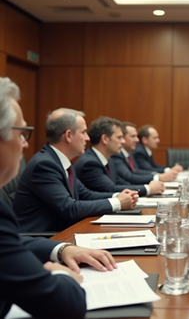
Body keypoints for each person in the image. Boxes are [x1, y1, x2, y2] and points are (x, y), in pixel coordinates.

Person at [0, 77, 118, 319]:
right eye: (22, 132)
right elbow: (67, 305)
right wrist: (58, 272)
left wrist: (61, 249)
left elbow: (9, 241)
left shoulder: (61, 162)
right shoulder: (46, 163)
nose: (25, 144)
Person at [13, 109, 138, 232]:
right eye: (83, 132)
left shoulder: (61, 161)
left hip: (63, 232)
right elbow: (70, 209)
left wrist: (119, 196)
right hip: (43, 238)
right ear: (68, 135)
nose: (88, 138)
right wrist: (117, 202)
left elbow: (85, 194)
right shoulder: (44, 165)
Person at [74, 117, 165, 196]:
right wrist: (147, 189)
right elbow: (110, 188)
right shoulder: (90, 163)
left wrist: (146, 188)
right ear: (105, 139)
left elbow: (120, 182)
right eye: (119, 137)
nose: (123, 141)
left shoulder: (108, 158)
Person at [110, 122, 177, 184]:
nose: (137, 140)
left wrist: (158, 176)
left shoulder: (129, 153)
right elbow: (130, 177)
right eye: (133, 136)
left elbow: (136, 171)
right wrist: (158, 178)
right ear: (123, 138)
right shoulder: (117, 155)